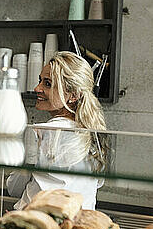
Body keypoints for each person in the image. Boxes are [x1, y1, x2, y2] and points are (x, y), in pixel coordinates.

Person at [7, 51, 108, 210]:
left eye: (47, 83)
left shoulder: (45, 131)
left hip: (36, 225)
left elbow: (14, 188)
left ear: (73, 96)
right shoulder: (92, 132)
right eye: (40, 81)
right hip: (78, 224)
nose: (36, 88)